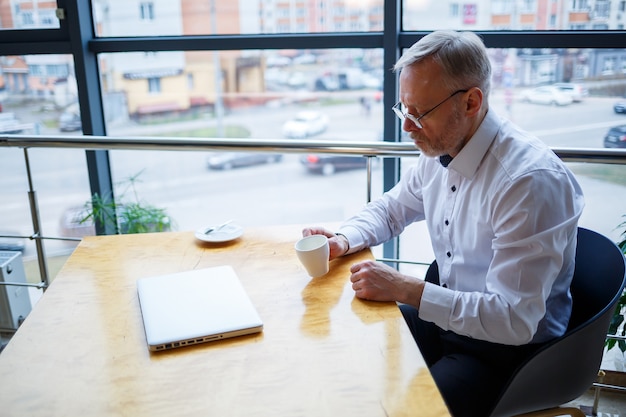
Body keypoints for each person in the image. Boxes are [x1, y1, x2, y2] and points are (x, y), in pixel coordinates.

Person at [302, 30, 584, 417]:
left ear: (471, 102)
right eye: (404, 109)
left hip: (511, 353)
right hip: (451, 321)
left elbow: (514, 321)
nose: (407, 127)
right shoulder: (442, 148)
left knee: (409, 411)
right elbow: (391, 209)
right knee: (350, 345)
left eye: (418, 113)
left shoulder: (527, 182)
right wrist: (343, 239)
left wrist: (409, 290)